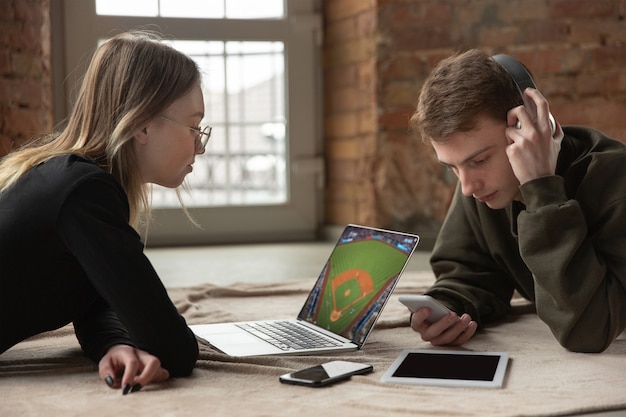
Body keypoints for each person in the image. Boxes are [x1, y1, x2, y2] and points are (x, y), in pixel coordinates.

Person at [0, 31, 209, 393]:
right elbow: (175, 349)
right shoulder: (86, 193)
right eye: (193, 127)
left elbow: (94, 295)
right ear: (142, 123)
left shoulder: (62, 176)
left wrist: (115, 344)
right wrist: (151, 340)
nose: (200, 145)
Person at [408, 49, 626, 353]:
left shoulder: (615, 179)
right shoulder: (485, 187)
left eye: (480, 160)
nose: (468, 187)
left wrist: (542, 190)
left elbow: (588, 330)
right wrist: (449, 308)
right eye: (452, 168)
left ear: (533, 127)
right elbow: (471, 272)